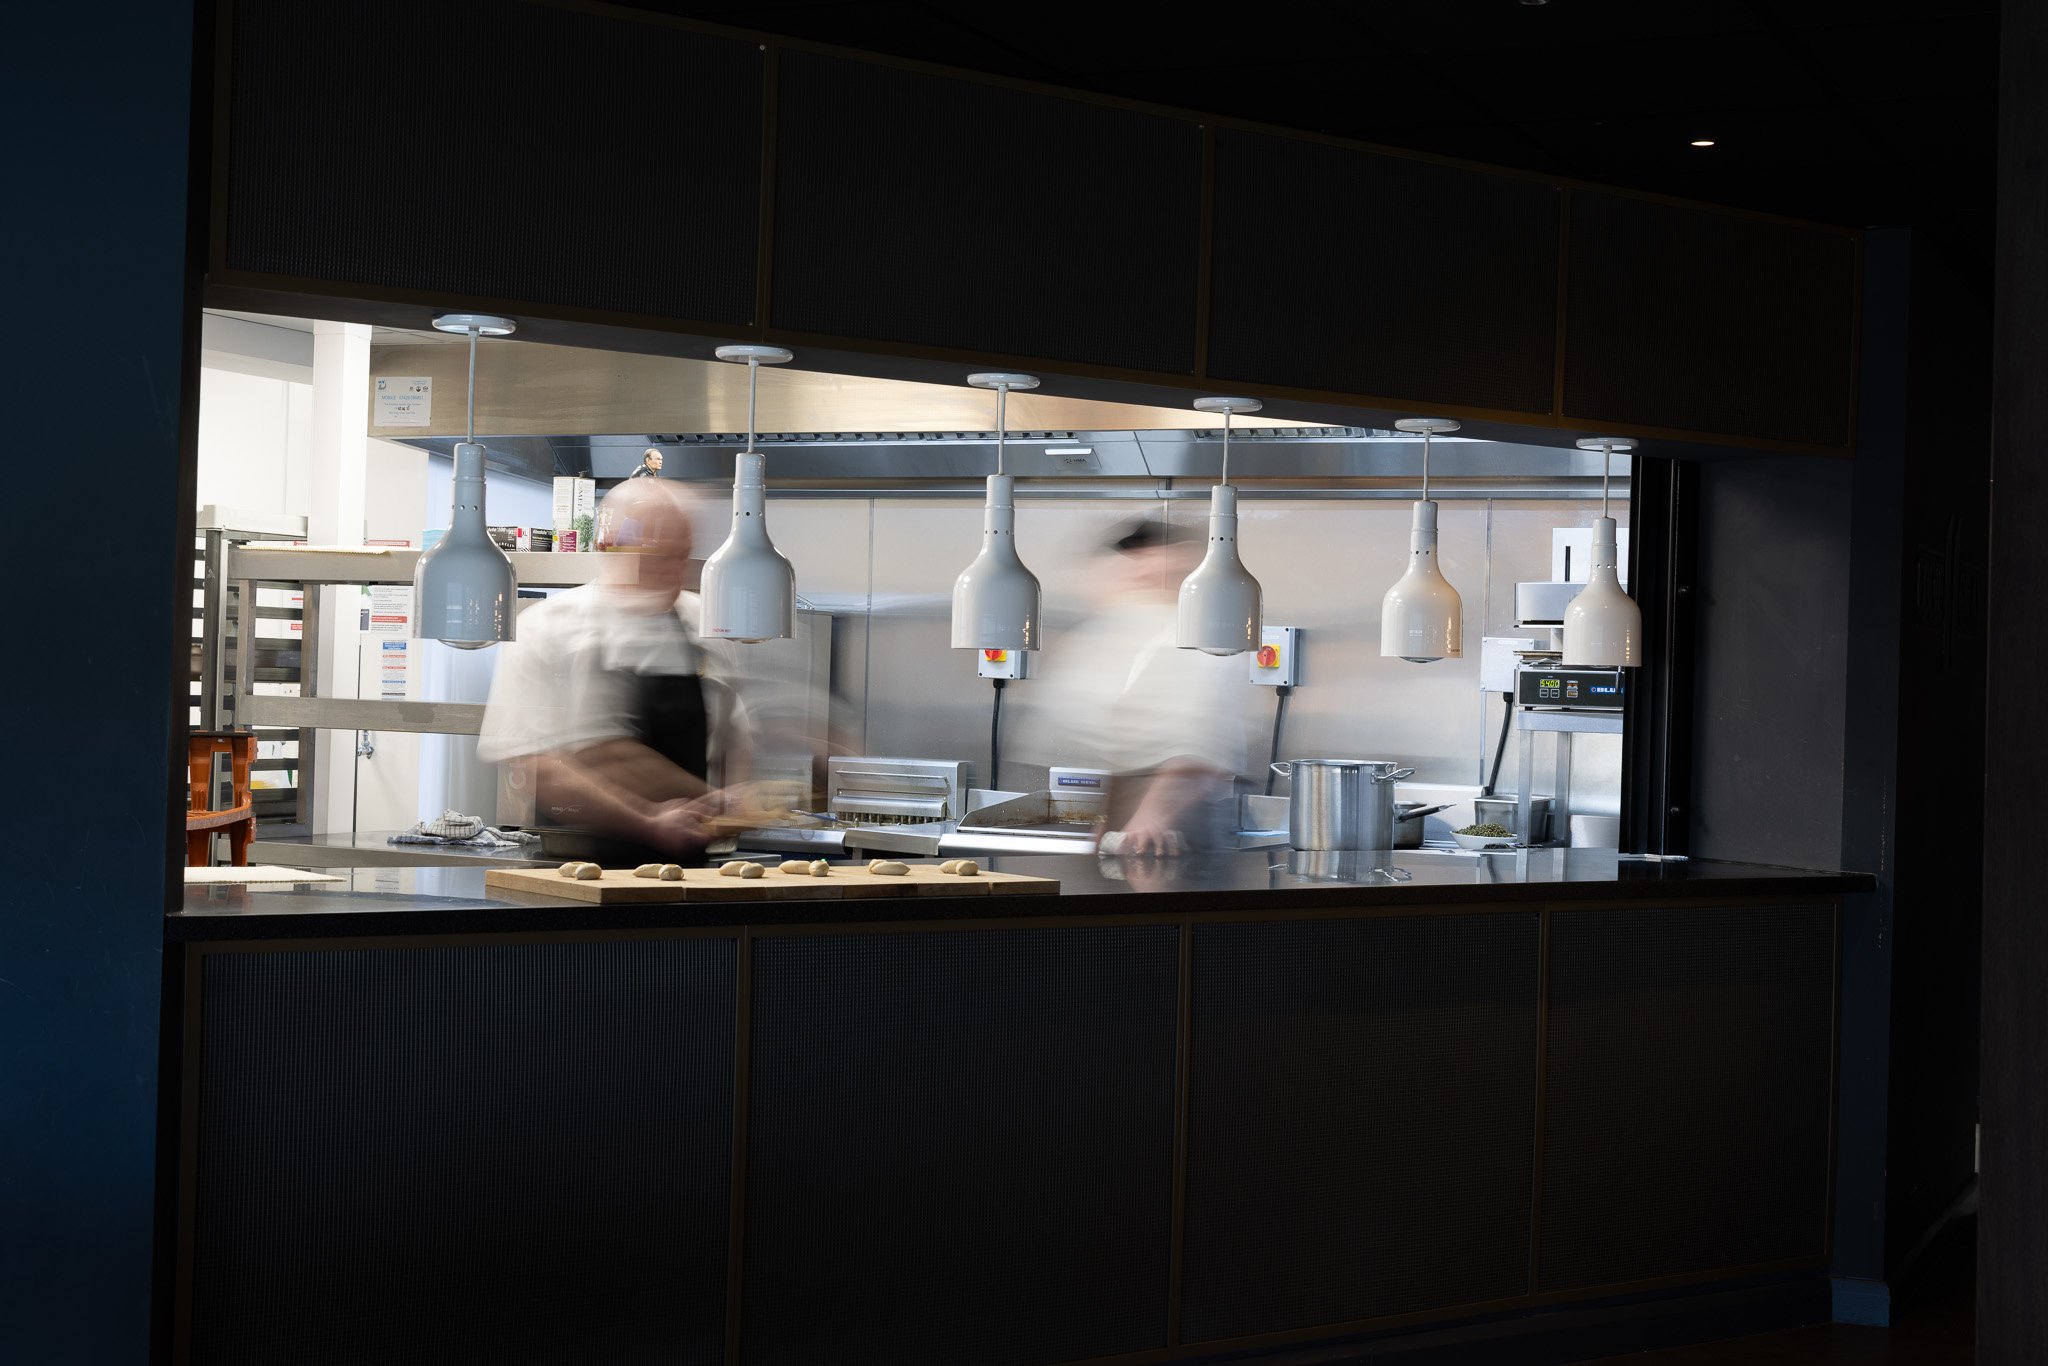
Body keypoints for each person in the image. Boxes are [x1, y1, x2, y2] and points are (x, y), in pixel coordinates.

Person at [478, 477, 755, 863]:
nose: (673, 571)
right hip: (575, 866)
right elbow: (536, 767)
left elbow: (735, 738)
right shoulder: (547, 628)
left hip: (688, 868)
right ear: (607, 545)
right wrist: (648, 822)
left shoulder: (703, 626)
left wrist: (735, 802)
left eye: (681, 555)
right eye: (655, 554)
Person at [1016, 518, 1249, 856]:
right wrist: (1107, 821)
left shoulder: (1201, 638)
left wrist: (1152, 818)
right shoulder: (1118, 633)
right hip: (1128, 826)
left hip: (1176, 831)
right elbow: (1113, 742)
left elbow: (1200, 753)